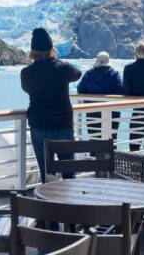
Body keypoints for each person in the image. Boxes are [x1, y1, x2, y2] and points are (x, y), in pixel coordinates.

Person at [20, 27, 82, 184]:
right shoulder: (63, 68)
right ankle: (69, 206)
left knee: (46, 172)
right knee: (68, 170)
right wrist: (57, 61)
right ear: (51, 49)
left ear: (33, 52)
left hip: (39, 125)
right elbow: (77, 74)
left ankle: (48, 205)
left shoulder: (26, 72)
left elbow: (26, 89)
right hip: (63, 126)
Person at [77, 51, 123, 140]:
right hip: (111, 113)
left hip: (92, 112)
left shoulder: (88, 74)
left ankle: (94, 154)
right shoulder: (114, 74)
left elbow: (80, 89)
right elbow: (121, 90)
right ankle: (110, 154)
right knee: (111, 141)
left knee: (94, 140)